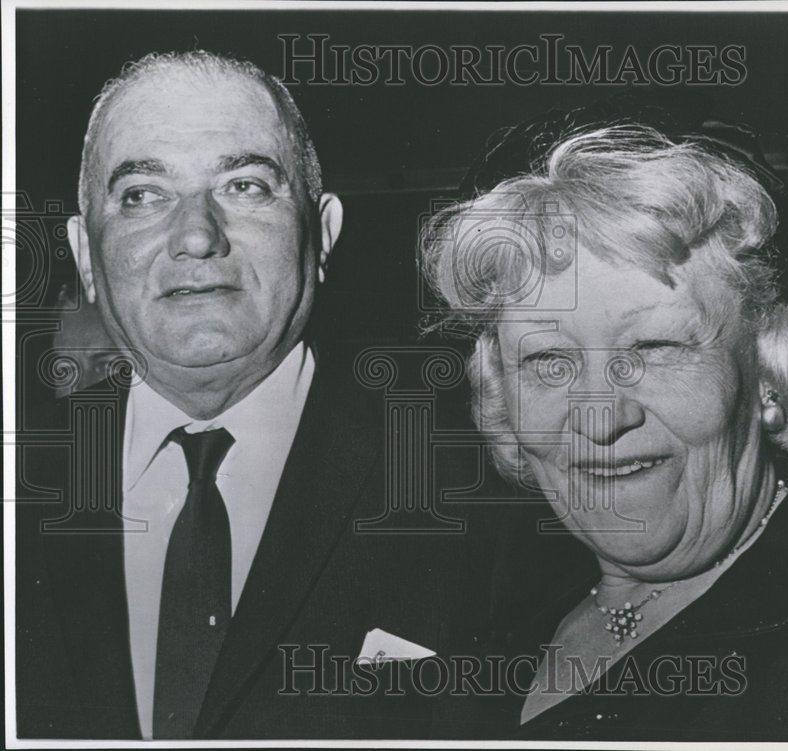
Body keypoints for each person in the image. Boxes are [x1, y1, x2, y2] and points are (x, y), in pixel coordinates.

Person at [15, 50, 497, 740]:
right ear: (86, 255)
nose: (196, 236)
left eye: (244, 185)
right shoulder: (18, 485)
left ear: (323, 231)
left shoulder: (478, 479)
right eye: (142, 195)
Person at [420, 107, 788, 740]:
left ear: (771, 376)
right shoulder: (492, 605)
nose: (601, 415)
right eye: (548, 360)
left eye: (654, 348)